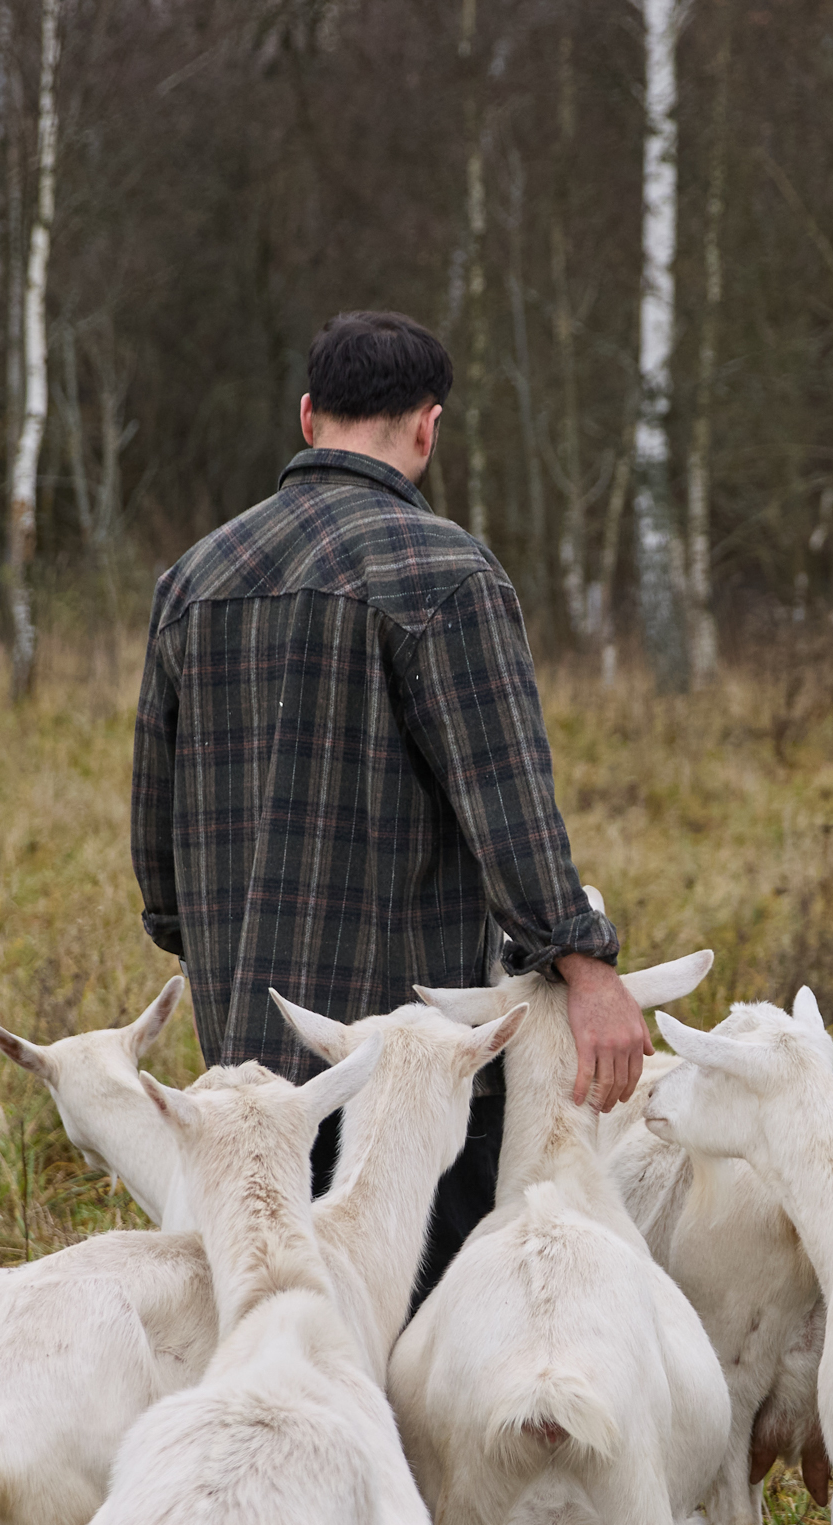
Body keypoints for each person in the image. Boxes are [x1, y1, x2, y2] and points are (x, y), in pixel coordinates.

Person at [130, 310, 649, 1302]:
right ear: (428, 427)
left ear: (308, 413)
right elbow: (509, 804)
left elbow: (156, 855)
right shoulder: (445, 575)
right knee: (408, 1360)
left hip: (246, 1082)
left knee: (269, 1342)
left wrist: (212, 946)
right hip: (408, 1086)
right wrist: (587, 968)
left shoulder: (193, 579)